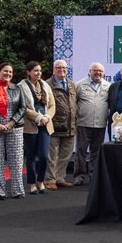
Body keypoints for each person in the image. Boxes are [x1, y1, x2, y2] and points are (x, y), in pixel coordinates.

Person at [0, 62, 26, 200]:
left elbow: (22, 107)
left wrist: (12, 122)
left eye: (10, 72)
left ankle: (17, 190)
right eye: (5, 71)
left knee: (16, 160)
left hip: (14, 128)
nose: (8, 74)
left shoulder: (17, 88)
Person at [18, 61, 55, 195]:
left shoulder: (45, 85)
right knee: (31, 156)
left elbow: (52, 105)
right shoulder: (21, 86)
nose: (38, 73)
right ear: (28, 72)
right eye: (35, 71)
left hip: (45, 124)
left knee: (44, 155)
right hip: (30, 125)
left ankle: (41, 180)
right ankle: (32, 183)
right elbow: (22, 107)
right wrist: (37, 118)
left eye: (39, 70)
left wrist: (47, 117)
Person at [74, 62, 110, 186]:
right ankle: (79, 175)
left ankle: (94, 175)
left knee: (96, 151)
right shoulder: (79, 85)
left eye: (100, 71)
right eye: (95, 70)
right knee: (81, 150)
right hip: (83, 123)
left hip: (100, 124)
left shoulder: (108, 86)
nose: (98, 73)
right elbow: (74, 103)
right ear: (89, 71)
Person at [44, 60, 77, 190]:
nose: (62, 70)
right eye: (58, 68)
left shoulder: (71, 84)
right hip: (54, 125)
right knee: (52, 155)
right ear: (53, 70)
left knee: (65, 155)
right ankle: (50, 180)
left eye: (64, 68)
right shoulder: (47, 84)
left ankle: (59, 178)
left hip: (70, 126)